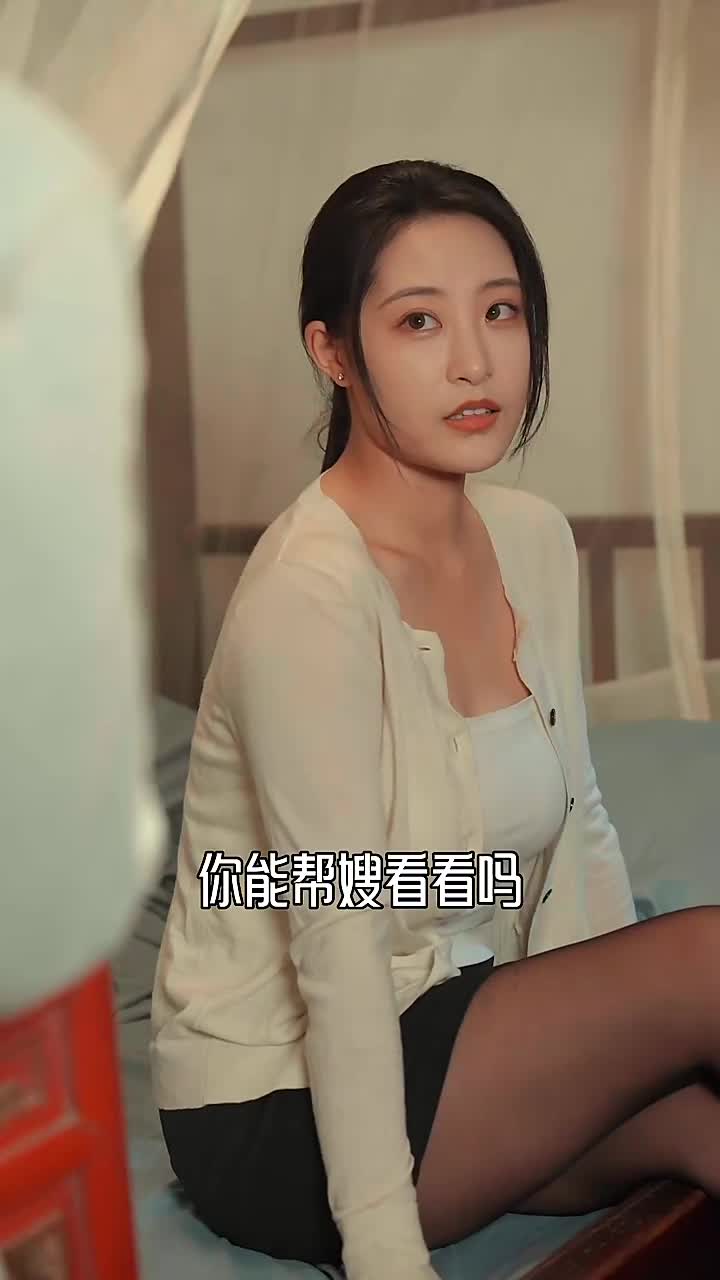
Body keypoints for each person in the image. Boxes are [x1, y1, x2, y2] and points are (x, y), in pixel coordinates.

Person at [150, 160, 720, 1280]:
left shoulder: (534, 539)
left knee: (701, 1123)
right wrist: (383, 1250)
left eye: (500, 311)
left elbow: (579, 823)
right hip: (282, 1103)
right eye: (419, 321)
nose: (474, 361)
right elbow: (336, 932)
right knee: (708, 956)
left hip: (464, 1020)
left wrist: (619, 1029)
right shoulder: (307, 597)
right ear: (333, 352)